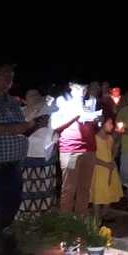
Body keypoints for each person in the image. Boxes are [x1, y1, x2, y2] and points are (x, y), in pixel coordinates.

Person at [0, 62, 45, 255]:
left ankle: (7, 250)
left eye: (11, 75)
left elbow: (22, 129)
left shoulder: (12, 102)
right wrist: (21, 127)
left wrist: (36, 126)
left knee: (10, 208)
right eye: (4, 74)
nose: (9, 79)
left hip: (14, 164)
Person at [51, 82, 100, 215]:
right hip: (70, 150)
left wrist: (97, 121)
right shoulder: (62, 102)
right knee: (69, 188)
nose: (82, 91)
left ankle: (81, 220)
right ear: (71, 86)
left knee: (84, 188)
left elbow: (94, 128)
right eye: (79, 88)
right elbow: (54, 125)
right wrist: (76, 114)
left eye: (84, 88)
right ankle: (65, 223)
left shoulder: (90, 102)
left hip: (89, 150)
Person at [18, 88, 59, 221]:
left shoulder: (48, 110)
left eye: (37, 94)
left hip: (44, 156)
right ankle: (25, 220)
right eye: (31, 95)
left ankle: (42, 220)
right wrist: (35, 125)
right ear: (25, 99)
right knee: (27, 189)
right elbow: (19, 133)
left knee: (44, 189)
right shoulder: (20, 112)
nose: (35, 97)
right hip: (26, 156)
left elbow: (56, 128)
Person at [90, 117, 123, 223]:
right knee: (98, 194)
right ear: (102, 124)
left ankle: (104, 214)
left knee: (109, 191)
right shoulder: (95, 138)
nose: (112, 126)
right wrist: (105, 164)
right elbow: (92, 157)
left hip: (109, 167)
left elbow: (112, 153)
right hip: (99, 169)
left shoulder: (109, 138)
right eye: (109, 123)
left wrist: (117, 146)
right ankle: (96, 218)